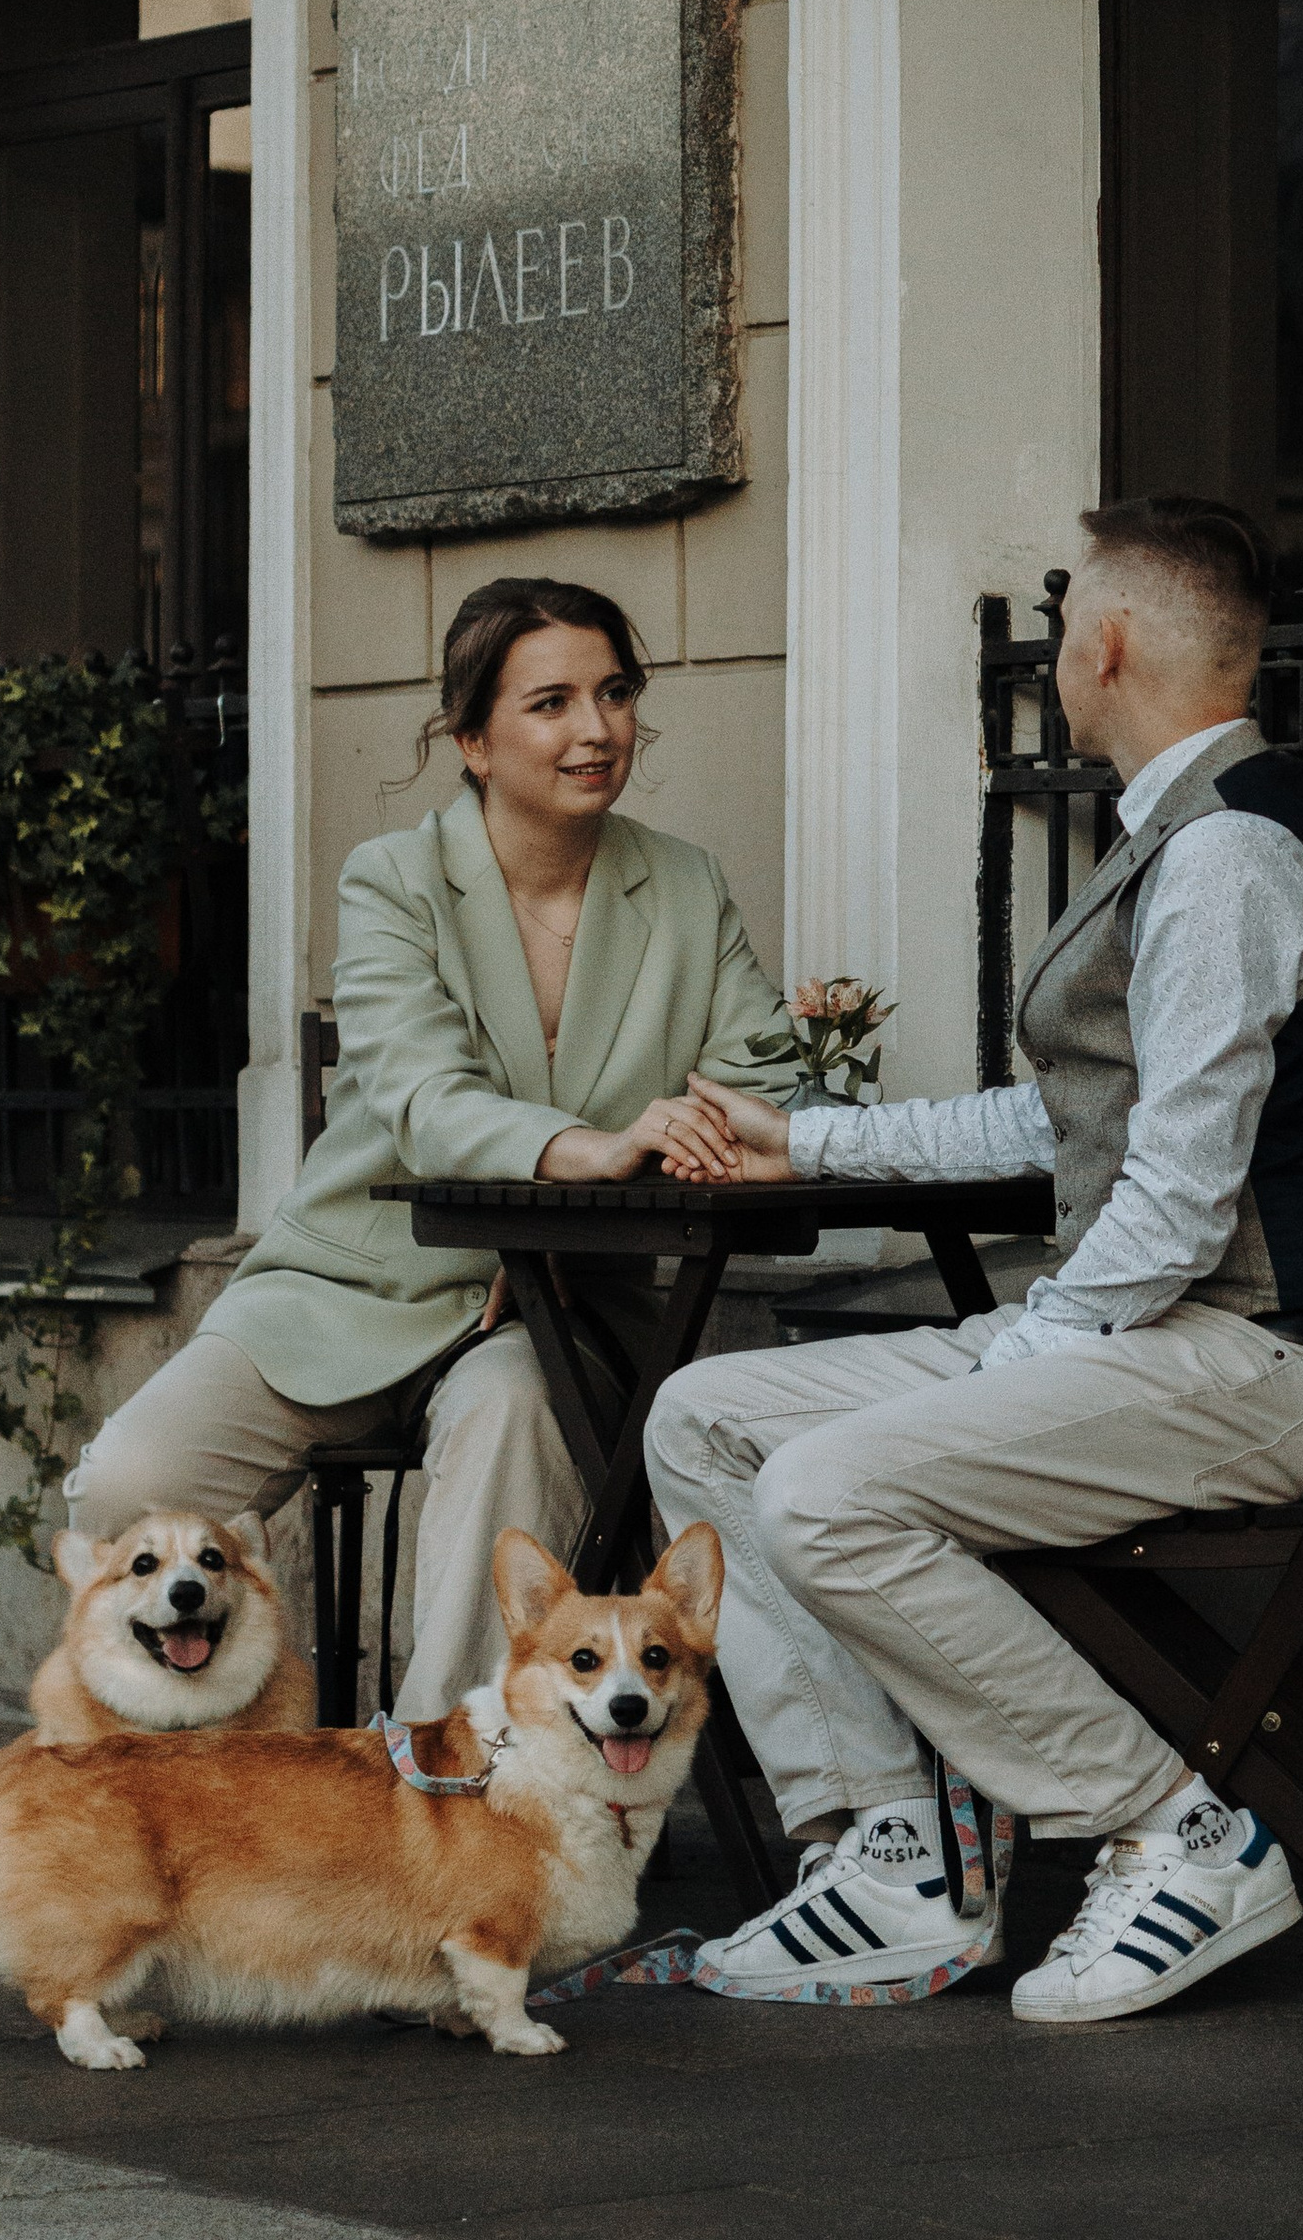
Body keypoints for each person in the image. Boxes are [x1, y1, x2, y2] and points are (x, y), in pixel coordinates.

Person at [645, 493, 1303, 2027]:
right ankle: (896, 1842)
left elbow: (1183, 1193)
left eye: (1065, 629)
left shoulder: (1230, 857)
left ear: (1107, 640)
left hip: (1265, 1352)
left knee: (830, 1490)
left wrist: (1029, 1343)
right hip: (1164, 1344)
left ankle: (1176, 1826)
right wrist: (809, 1141)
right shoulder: (1188, 841)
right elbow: (1067, 1123)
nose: (1060, 655)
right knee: (705, 1422)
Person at [67, 575, 786, 1717]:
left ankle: (440, 1777)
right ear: (473, 738)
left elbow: (761, 1075)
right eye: (550, 702)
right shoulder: (394, 880)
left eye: (614, 693)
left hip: (553, 1310)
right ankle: (142, 1781)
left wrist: (654, 1155)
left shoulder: (686, 886)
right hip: (349, 1286)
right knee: (128, 1480)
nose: (595, 729)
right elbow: (418, 1093)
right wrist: (582, 1149)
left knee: (510, 1413)